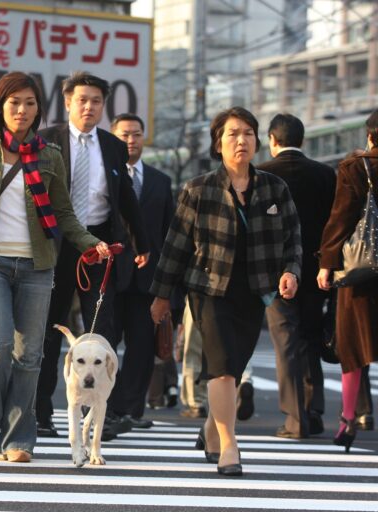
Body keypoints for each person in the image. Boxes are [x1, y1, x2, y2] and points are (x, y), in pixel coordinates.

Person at [0, 71, 111, 463]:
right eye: (14, 103)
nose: (22, 110)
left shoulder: (50, 156)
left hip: (37, 266)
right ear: (0, 106)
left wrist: (91, 244)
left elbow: (65, 215)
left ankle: (18, 439)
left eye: (30, 103)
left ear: (38, 109)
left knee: (30, 355)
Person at [150, 106, 302, 477]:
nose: (241, 140)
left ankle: (211, 431)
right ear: (218, 143)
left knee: (234, 365)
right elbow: (176, 246)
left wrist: (290, 271)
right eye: (233, 134)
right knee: (222, 372)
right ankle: (229, 447)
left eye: (248, 133)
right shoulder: (198, 189)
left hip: (254, 293)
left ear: (257, 141)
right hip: (208, 289)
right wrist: (161, 296)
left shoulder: (274, 187)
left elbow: (293, 239)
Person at [35, 72, 150, 439]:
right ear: (67, 101)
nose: (89, 107)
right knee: (50, 331)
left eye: (96, 101)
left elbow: (126, 199)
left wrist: (142, 244)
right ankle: (41, 413)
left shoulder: (112, 145)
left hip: (100, 247)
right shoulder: (45, 140)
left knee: (101, 332)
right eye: (82, 99)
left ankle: (99, 413)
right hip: (56, 244)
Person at [256, 113, 336, 439]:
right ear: (301, 140)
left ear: (272, 140)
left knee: (285, 342)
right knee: (311, 339)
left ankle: (294, 418)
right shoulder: (325, 174)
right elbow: (335, 224)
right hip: (317, 270)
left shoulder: (262, 174)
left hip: (275, 272)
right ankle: (314, 411)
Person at [317, 108, 378, 453]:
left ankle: (348, 419)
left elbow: (340, 219)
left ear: (370, 136)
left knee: (353, 349)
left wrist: (326, 264)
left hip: (361, 272)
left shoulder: (356, 168)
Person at [109, 113, 174, 429]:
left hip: (148, 279)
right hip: (109, 274)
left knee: (142, 346)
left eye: (136, 134)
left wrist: (168, 280)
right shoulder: (103, 176)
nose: (130, 140)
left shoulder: (161, 181)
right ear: (112, 137)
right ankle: (109, 406)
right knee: (106, 343)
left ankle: (132, 410)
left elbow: (168, 232)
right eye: (124, 135)